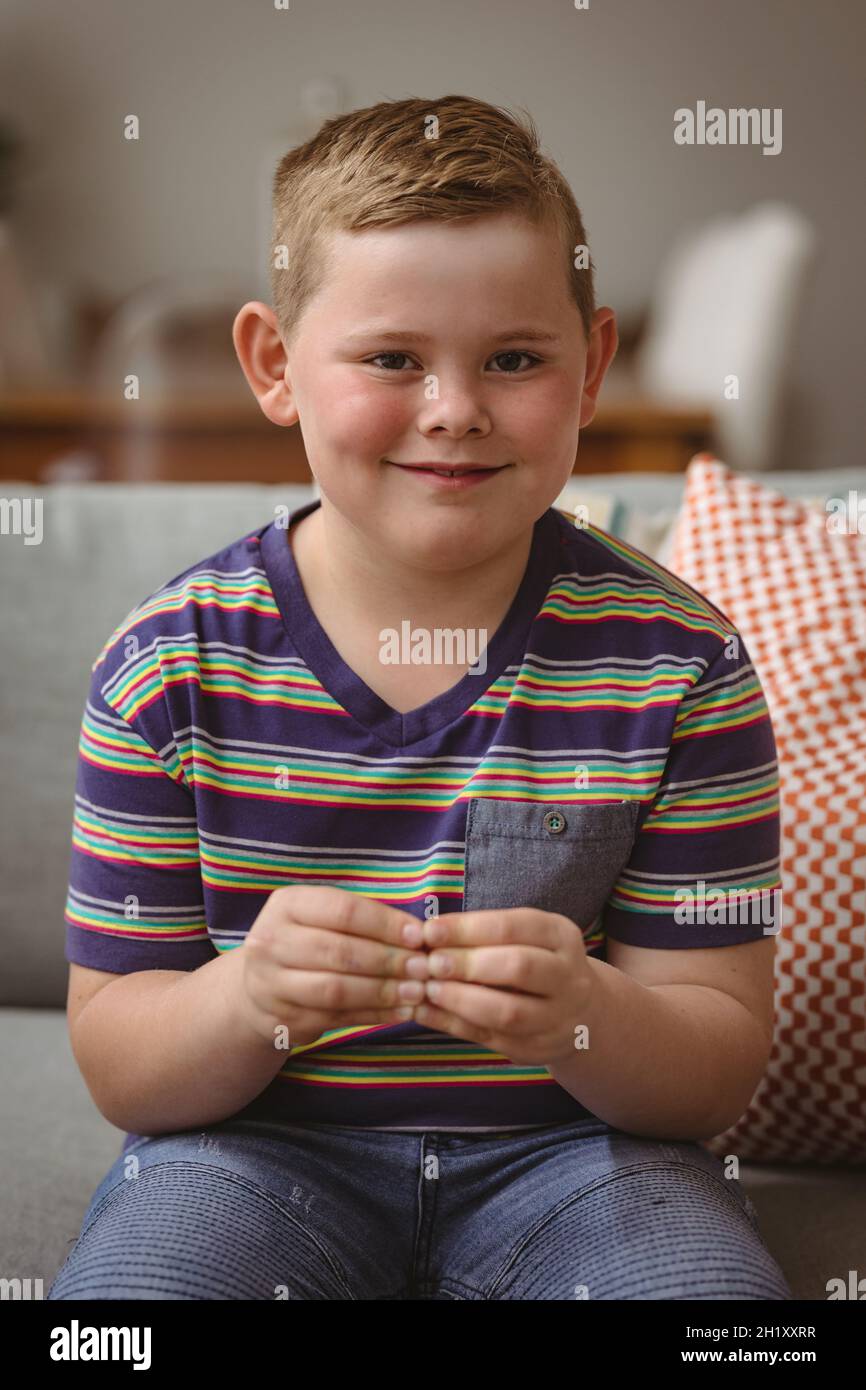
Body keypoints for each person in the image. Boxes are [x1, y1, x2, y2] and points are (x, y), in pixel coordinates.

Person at [48, 93, 792, 1300]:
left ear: (592, 366)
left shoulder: (678, 663)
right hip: (252, 1152)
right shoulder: (167, 665)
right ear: (275, 367)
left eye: (513, 358)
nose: (454, 408)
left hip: (584, 1158)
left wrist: (582, 1013)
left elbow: (711, 1070)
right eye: (393, 358)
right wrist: (247, 998)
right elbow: (123, 1064)